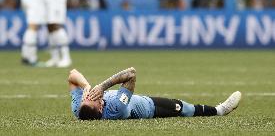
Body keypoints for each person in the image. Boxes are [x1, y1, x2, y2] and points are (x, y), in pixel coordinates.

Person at [68, 68, 242, 120]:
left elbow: (72, 75)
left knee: (183, 107)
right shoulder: (115, 109)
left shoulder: (79, 108)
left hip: (136, 100)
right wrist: (104, 86)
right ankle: (220, 110)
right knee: (183, 109)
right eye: (94, 99)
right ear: (100, 110)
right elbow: (131, 74)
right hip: (149, 107)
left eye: (89, 97)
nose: (93, 96)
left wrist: (86, 86)